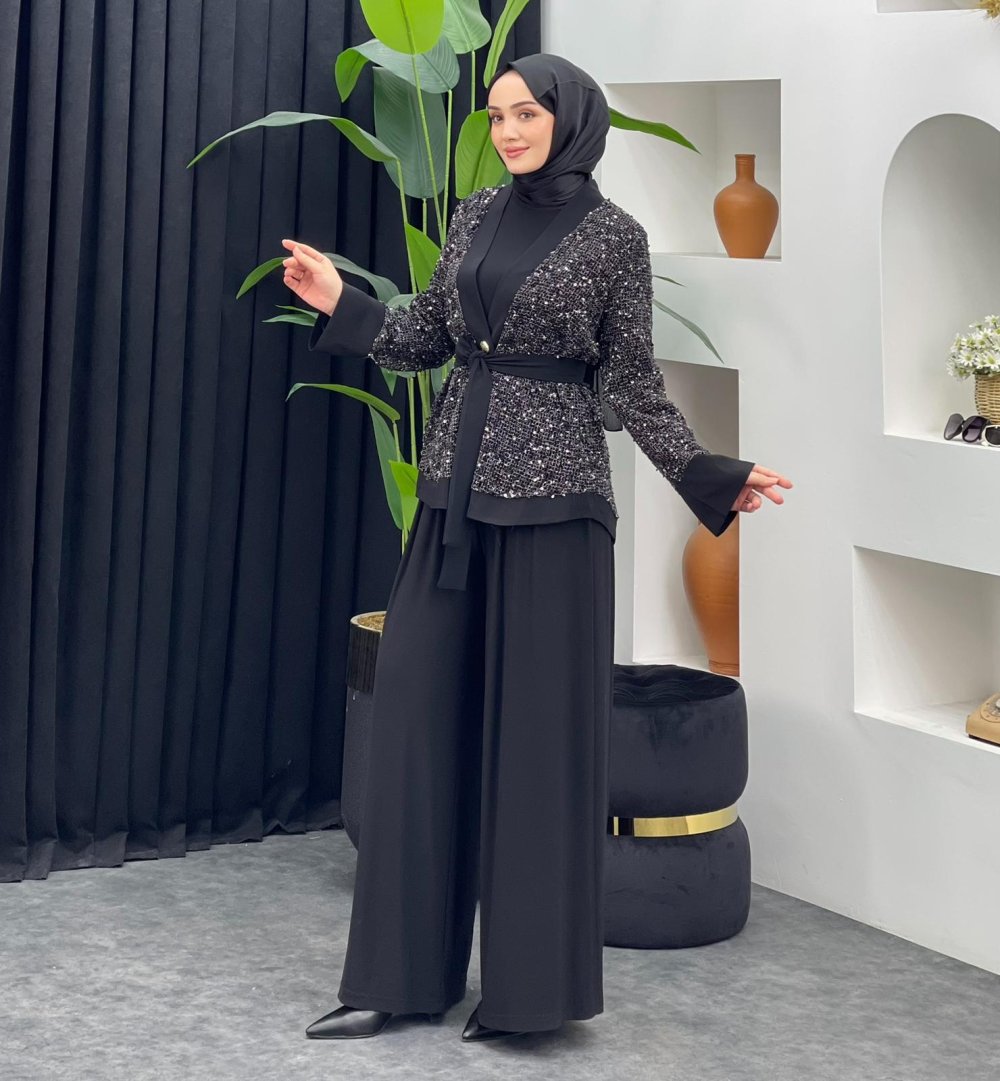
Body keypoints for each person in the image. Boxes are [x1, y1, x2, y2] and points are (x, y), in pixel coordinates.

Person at [280, 53, 792, 1043]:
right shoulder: (474, 213)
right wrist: (340, 300)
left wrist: (707, 472)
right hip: (453, 499)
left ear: (570, 118)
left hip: (557, 514)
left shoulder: (615, 238)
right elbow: (426, 337)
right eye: (497, 115)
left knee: (538, 752)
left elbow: (631, 384)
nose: (509, 130)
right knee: (414, 732)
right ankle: (396, 979)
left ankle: (531, 996)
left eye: (526, 113)